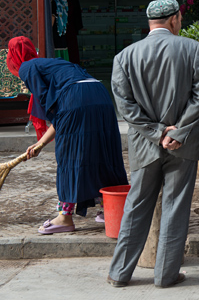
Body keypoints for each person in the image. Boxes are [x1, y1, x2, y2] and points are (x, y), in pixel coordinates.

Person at [107, 0, 199, 288]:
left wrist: (156, 132)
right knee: (175, 209)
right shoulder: (191, 49)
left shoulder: (124, 57)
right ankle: (165, 275)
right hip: (184, 144)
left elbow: (125, 107)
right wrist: (175, 134)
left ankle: (119, 274)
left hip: (145, 146)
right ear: (175, 19)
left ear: (149, 23)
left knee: (136, 207)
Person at [6, 36, 127, 234]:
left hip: (76, 99)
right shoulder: (53, 64)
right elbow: (63, 113)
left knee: (69, 155)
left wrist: (45, 140)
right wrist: (41, 144)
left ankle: (65, 217)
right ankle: (110, 209)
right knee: (102, 151)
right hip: (101, 96)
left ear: (13, 58)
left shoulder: (26, 67)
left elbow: (54, 107)